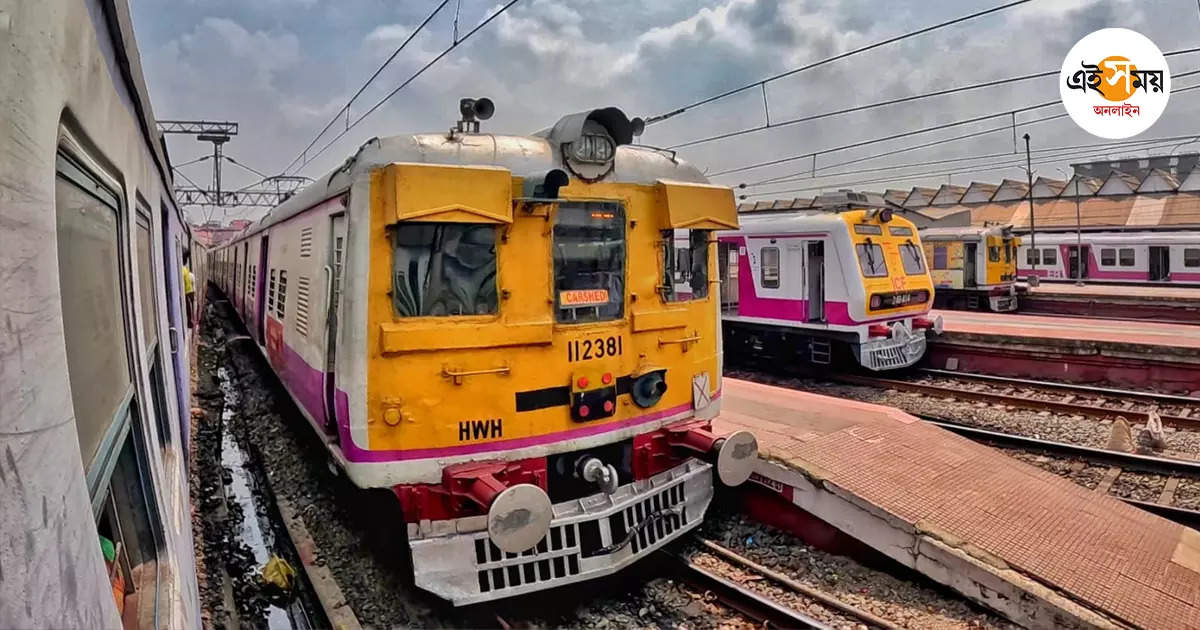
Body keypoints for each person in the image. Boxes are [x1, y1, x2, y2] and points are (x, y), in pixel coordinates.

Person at [182, 254, 195, 329]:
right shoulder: (187, 271)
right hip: (188, 293)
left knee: (188, 309)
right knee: (189, 308)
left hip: (186, 294)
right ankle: (190, 322)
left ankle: (190, 322)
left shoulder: (183, 271)